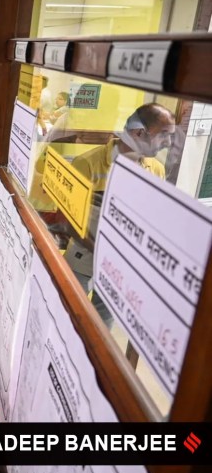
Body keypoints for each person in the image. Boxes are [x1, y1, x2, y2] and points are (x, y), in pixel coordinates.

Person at [63, 103, 175, 324]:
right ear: (138, 133)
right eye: (163, 135)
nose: (168, 143)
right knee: (66, 319)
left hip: (119, 271)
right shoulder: (87, 164)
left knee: (101, 330)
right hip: (82, 263)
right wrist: (105, 251)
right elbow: (68, 221)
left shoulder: (156, 170)